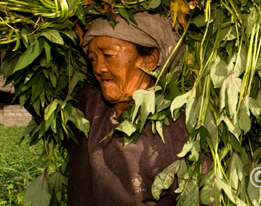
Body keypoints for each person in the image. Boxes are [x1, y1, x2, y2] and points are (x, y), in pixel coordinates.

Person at [69, 12, 187, 205]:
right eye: (92, 59)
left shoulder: (178, 133)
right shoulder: (86, 109)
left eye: (108, 56)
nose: (98, 68)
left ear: (150, 59)